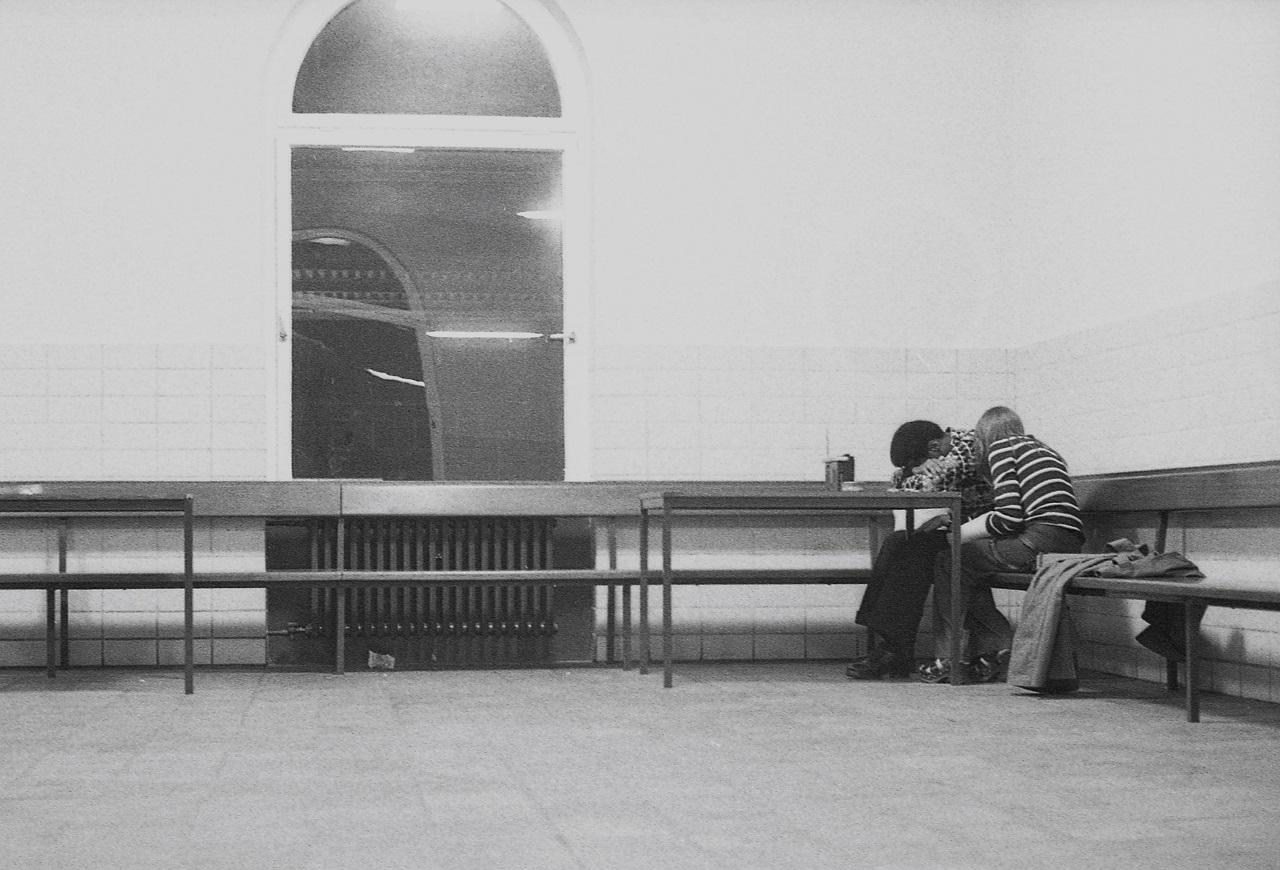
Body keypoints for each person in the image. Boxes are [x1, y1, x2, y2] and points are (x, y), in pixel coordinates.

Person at [921, 406, 1085, 684]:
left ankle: (950, 657)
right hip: (1068, 545)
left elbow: (1009, 518)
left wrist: (959, 533)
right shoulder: (1044, 450)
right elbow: (1019, 515)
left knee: (949, 561)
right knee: (970, 566)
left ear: (985, 435)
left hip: (1036, 544)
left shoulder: (1001, 449)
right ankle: (996, 647)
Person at [846, 420, 992, 679]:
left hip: (982, 534)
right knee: (898, 542)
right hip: (960, 528)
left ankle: (895, 649)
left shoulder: (967, 447)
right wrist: (914, 469)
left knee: (915, 549)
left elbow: (924, 486)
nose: (911, 468)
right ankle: (894, 647)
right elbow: (906, 483)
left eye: (915, 461)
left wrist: (911, 474)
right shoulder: (945, 452)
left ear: (934, 447)